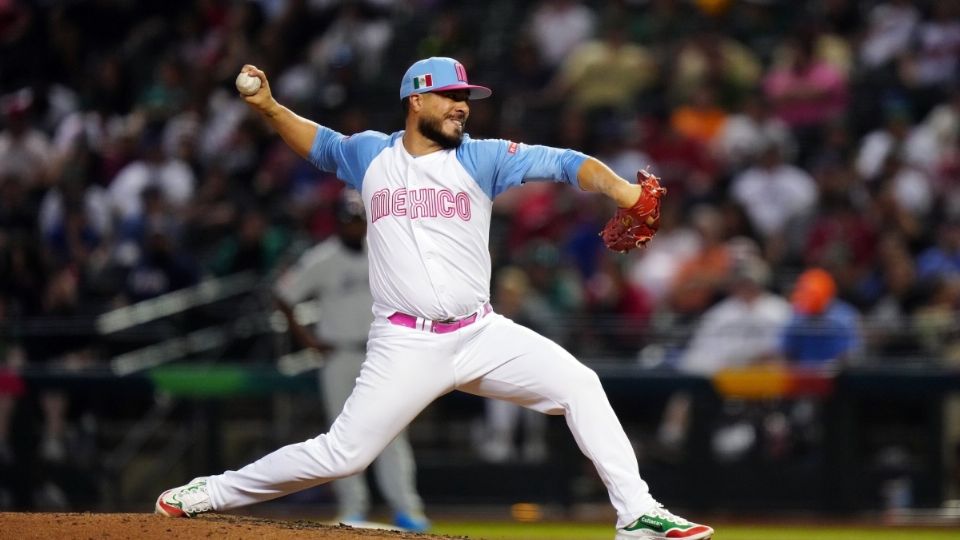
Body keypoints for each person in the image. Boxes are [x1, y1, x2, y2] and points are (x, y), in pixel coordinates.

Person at [155, 57, 714, 540]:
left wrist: (620, 189)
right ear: (416, 98)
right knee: (343, 454)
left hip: (480, 332)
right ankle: (213, 493)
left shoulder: (484, 157)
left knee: (580, 384)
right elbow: (319, 144)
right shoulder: (372, 155)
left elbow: (567, 163)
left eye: (465, 99)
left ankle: (637, 513)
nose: (462, 107)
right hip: (405, 342)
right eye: (450, 97)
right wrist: (270, 106)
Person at [273, 191, 429, 531]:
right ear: (339, 223)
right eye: (348, 220)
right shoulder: (323, 258)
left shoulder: (384, 251)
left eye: (358, 220)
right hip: (339, 353)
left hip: (380, 354)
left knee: (392, 433)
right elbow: (284, 294)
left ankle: (407, 509)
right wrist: (307, 339)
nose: (354, 226)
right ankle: (352, 508)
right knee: (343, 436)